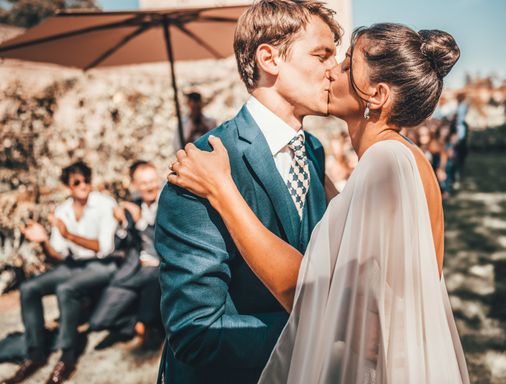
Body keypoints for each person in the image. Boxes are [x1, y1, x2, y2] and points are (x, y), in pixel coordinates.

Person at [169, 23, 470, 383]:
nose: (332, 72)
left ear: (376, 95)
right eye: (325, 57)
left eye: (344, 65)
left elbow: (309, 292)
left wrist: (222, 190)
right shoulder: (406, 160)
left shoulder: (384, 164)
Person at [155, 0, 342, 383]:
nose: (334, 70)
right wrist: (332, 335)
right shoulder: (202, 166)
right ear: (269, 59)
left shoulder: (314, 150)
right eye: (322, 55)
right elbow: (196, 333)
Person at [5, 161, 118, 384]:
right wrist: (44, 241)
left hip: (103, 265)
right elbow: (58, 255)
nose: (83, 185)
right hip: (73, 265)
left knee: (66, 289)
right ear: (68, 186)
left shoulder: (104, 204)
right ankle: (35, 353)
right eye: (77, 182)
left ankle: (68, 356)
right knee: (29, 288)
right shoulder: (62, 210)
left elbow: (105, 247)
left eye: (86, 180)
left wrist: (69, 235)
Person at [89, 160, 163, 350]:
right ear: (135, 186)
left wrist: (140, 223)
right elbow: (119, 245)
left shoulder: (168, 203)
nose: (151, 186)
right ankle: (136, 323)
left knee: (151, 276)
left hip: (158, 266)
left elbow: (165, 243)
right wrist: (121, 224)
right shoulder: (133, 206)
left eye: (153, 181)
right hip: (132, 270)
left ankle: (149, 324)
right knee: (98, 322)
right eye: (145, 183)